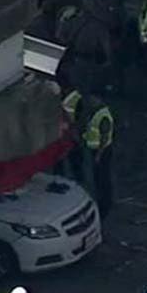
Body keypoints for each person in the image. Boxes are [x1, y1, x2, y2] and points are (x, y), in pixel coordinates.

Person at [62, 89, 115, 218]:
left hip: (101, 151)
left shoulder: (103, 116)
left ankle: (105, 204)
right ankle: (103, 198)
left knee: (102, 178)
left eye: (92, 100)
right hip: (93, 148)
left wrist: (98, 155)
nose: (90, 102)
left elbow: (103, 137)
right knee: (98, 177)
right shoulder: (94, 111)